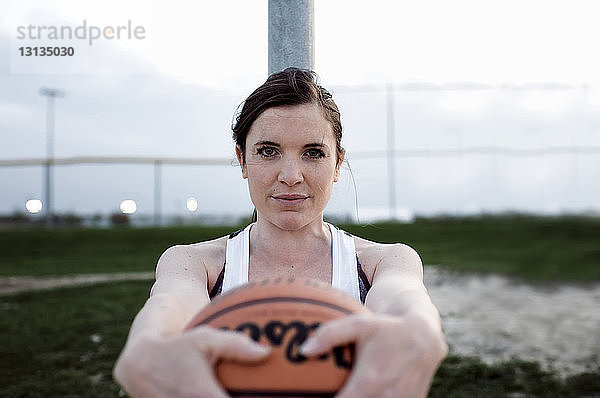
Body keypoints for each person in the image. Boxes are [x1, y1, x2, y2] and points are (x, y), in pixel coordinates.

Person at [113, 68, 448, 397]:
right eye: (268, 151)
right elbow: (170, 303)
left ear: (337, 164)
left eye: (313, 153)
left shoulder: (384, 262)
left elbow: (405, 300)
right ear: (242, 160)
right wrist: (148, 342)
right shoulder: (194, 263)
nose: (290, 175)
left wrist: (420, 328)